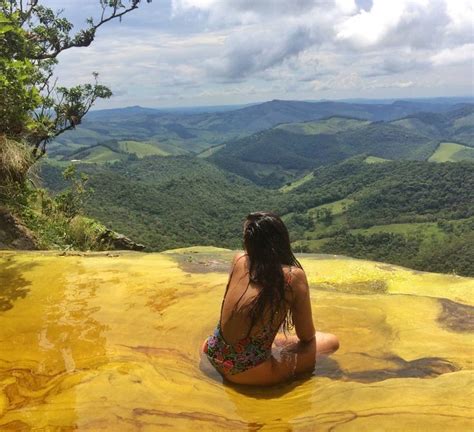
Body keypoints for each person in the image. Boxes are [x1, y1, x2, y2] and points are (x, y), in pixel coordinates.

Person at [201, 211, 339, 386]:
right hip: (247, 372)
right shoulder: (292, 277)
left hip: (213, 352)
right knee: (331, 342)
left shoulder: (239, 259)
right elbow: (306, 335)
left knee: (276, 339)